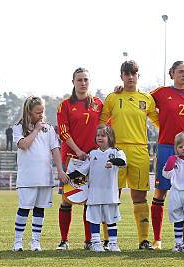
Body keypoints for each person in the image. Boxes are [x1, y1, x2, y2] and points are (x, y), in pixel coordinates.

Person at [99, 60, 160, 250]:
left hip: (140, 151)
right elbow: (100, 124)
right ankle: (109, 240)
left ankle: (143, 240)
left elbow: (160, 123)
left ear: (138, 76)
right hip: (116, 150)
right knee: (111, 195)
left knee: (139, 197)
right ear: (121, 76)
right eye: (127, 74)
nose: (130, 77)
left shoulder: (147, 98)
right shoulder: (112, 97)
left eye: (134, 74)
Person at [148, 61, 184, 250]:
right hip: (165, 148)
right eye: (180, 71)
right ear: (172, 74)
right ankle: (157, 239)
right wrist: (122, 90)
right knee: (160, 192)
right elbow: (141, 102)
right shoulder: (161, 93)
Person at [12, 96, 69, 251]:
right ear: (29, 112)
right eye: (38, 112)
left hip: (44, 177)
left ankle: (35, 242)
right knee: (24, 208)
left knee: (40, 209)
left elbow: (55, 149)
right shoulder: (18, 127)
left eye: (42, 112)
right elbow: (24, 145)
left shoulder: (49, 128)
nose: (41, 115)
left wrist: (60, 169)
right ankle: (18, 242)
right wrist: (36, 129)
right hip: (27, 178)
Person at [56, 67, 104, 250]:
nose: (83, 83)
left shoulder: (98, 104)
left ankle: (89, 240)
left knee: (89, 200)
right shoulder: (65, 105)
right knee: (67, 198)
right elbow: (63, 131)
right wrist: (77, 150)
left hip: (92, 159)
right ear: (73, 82)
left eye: (86, 80)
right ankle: (64, 240)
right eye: (79, 80)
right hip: (71, 158)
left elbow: (106, 128)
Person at [69, 125, 126, 252]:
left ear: (110, 137)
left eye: (103, 135)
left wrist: (113, 162)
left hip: (110, 194)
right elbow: (82, 171)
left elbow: (123, 162)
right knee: (94, 219)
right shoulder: (92, 153)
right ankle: (96, 243)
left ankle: (113, 243)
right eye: (98, 135)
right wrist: (68, 177)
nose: (100, 137)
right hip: (94, 194)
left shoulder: (116, 152)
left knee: (111, 220)